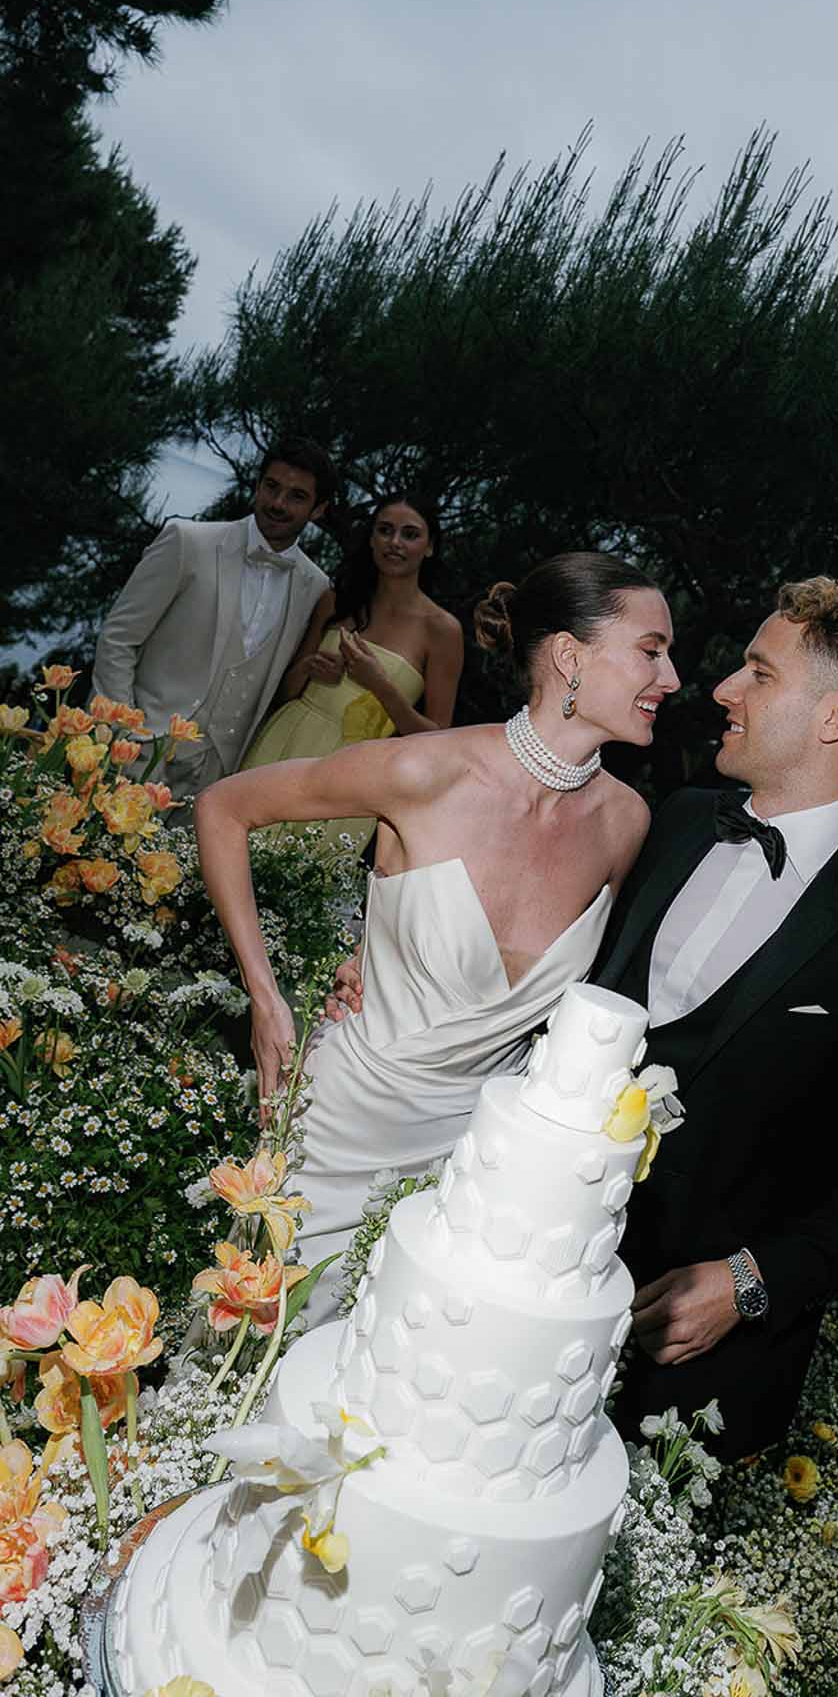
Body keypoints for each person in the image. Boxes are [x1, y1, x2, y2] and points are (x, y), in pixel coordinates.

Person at [195, 550, 679, 1320]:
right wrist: (267, 995)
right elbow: (223, 807)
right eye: (651, 652)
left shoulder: (626, 824)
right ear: (568, 655)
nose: (672, 679)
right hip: (335, 1132)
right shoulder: (426, 771)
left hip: (472, 1164)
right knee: (252, 1354)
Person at [594, 576, 838, 1461]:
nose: (721, 690)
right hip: (540, 1272)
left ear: (836, 715)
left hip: (686, 1367)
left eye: (758, 675)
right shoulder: (678, 821)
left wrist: (748, 1284)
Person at [93, 438, 336, 797]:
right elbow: (118, 638)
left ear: (318, 509)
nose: (278, 504)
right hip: (138, 754)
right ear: (257, 485)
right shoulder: (187, 542)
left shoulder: (316, 586)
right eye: (271, 487)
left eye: (297, 496)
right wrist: (122, 736)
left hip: (220, 781)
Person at [240, 494, 465, 853]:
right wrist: (309, 669)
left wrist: (379, 684)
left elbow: (436, 742)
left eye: (410, 534)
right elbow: (282, 693)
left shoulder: (442, 630)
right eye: (385, 530)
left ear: (430, 547)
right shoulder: (336, 599)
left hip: (356, 772)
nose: (395, 542)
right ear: (371, 539)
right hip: (287, 744)